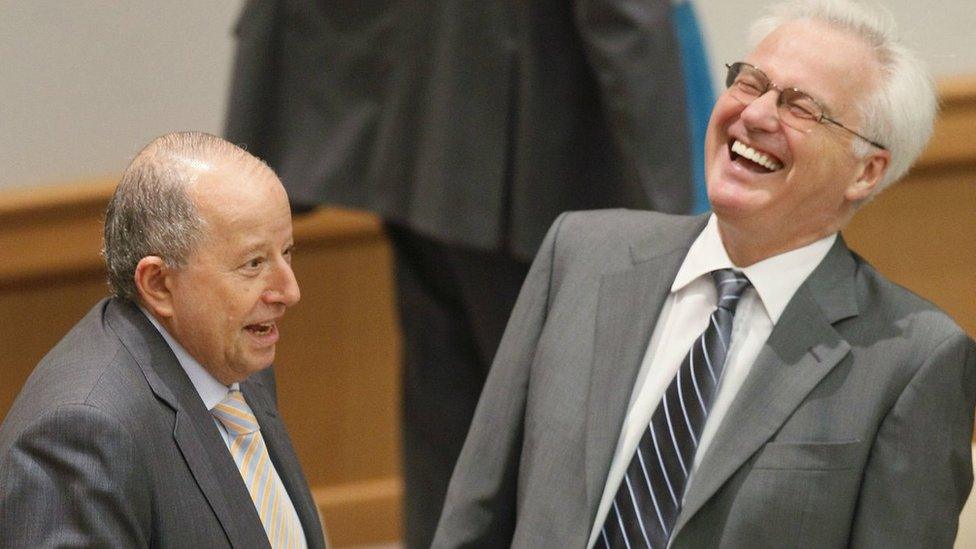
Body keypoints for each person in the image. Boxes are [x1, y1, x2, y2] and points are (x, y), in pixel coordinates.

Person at [433, 1, 976, 547]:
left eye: (801, 108)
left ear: (866, 171)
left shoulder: (912, 360)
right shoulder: (579, 254)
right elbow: (477, 512)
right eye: (751, 83)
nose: (757, 115)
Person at [224, 2, 694, 546]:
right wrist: (673, 218)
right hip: (529, 160)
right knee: (555, 449)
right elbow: (624, 18)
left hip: (414, 131)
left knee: (448, 431)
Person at [0, 132, 327, 548]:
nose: (290, 290)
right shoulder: (81, 434)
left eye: (288, 252)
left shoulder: (232, 358)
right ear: (158, 284)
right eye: (254, 263)